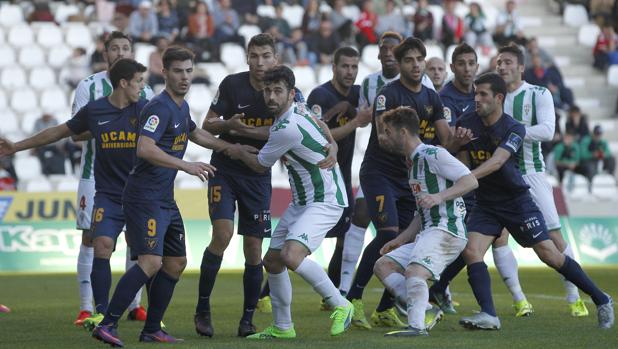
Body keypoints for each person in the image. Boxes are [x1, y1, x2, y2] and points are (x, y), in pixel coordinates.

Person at [90, 46, 241, 347]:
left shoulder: (181, 107)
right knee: (150, 262)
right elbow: (144, 147)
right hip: (144, 197)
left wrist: (229, 148)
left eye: (188, 71)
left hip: (164, 198)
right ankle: (107, 323)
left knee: (176, 262)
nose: (184, 77)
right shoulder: (158, 107)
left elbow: (194, 133)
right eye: (178, 71)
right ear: (165, 72)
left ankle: (152, 329)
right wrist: (186, 165)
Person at [455, 72, 613, 330]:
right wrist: (455, 144)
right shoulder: (467, 121)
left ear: (498, 98)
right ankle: (489, 315)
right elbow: (459, 159)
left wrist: (466, 178)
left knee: (549, 254)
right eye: (475, 93)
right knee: (471, 251)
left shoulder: (514, 128)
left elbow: (497, 162)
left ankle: (601, 298)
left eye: (483, 94)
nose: (476, 98)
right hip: (486, 203)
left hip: (516, 201)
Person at [1, 59, 151, 328]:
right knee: (102, 245)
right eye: (139, 81)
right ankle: (101, 314)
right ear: (123, 83)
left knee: (149, 257)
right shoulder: (95, 111)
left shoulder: (145, 110)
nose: (143, 87)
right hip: (107, 193)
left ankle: (148, 317)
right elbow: (58, 132)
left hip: (140, 194)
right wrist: (17, 147)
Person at [231, 65, 354, 339]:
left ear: (290, 93)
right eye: (267, 90)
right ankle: (283, 327)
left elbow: (259, 165)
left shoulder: (286, 127)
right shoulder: (299, 107)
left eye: (278, 91)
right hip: (304, 201)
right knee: (273, 261)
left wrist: (235, 149)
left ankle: (340, 304)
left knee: (290, 256)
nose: (271, 96)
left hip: (325, 199)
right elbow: (322, 126)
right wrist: (331, 144)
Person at [347, 37, 460, 330]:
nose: (415, 65)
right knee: (388, 233)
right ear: (400, 64)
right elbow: (384, 137)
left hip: (408, 177)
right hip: (379, 173)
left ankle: (385, 308)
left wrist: (455, 142)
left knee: (408, 239)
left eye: (419, 60)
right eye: (408, 60)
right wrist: (413, 150)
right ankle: (353, 300)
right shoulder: (389, 94)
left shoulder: (432, 97)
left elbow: (444, 138)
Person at [194, 33, 281, 338]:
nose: (260, 62)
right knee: (222, 234)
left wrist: (247, 133)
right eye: (254, 56)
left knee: (254, 248)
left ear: (276, 58)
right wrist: (229, 126)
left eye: (266, 56)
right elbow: (208, 124)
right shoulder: (232, 84)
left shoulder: (282, 89)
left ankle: (247, 320)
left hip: (258, 174)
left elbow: (288, 128)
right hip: (225, 169)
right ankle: (202, 309)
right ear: (247, 57)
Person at [71, 31, 154, 327]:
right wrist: (108, 124)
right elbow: (75, 131)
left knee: (137, 239)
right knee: (92, 238)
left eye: (126, 48)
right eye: (115, 48)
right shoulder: (88, 87)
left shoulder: (143, 90)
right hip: (94, 175)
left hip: (134, 178)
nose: (120, 52)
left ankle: (135, 305)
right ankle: (86, 306)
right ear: (105, 53)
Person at [499, 44, 589, 316]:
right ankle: (519, 300)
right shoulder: (493, 95)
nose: (501, 67)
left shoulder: (538, 93)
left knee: (554, 237)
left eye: (507, 62)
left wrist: (513, 133)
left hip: (531, 174)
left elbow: (548, 130)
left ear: (521, 67)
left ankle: (574, 298)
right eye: (498, 62)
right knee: (497, 238)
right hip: (499, 175)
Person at [373, 106, 478, 337]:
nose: (384, 137)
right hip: (429, 230)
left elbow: (470, 181)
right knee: (383, 265)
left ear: (402, 133)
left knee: (415, 272)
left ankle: (417, 327)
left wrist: (439, 196)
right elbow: (421, 212)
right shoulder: (413, 165)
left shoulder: (433, 154)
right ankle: (426, 311)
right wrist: (400, 239)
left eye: (387, 132)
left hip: (447, 230)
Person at [306, 47, 372, 309]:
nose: (350, 72)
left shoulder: (357, 94)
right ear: (333, 67)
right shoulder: (320, 95)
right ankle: (266, 293)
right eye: (345, 66)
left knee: (345, 238)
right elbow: (319, 137)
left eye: (354, 67)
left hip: (342, 175)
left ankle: (331, 297)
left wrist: (362, 120)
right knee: (304, 241)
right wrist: (356, 122)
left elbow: (366, 119)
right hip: (318, 174)